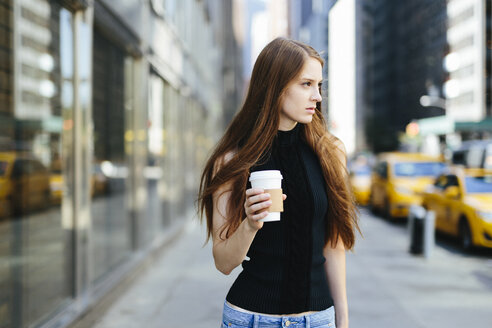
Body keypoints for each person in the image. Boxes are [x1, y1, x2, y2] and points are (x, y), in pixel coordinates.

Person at [198, 37, 360, 328]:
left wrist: (343, 320)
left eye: (319, 85)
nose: (317, 96)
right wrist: (250, 223)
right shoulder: (231, 162)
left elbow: (333, 246)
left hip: (318, 320)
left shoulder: (330, 153)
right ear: (275, 86)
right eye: (306, 84)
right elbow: (223, 263)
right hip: (250, 319)